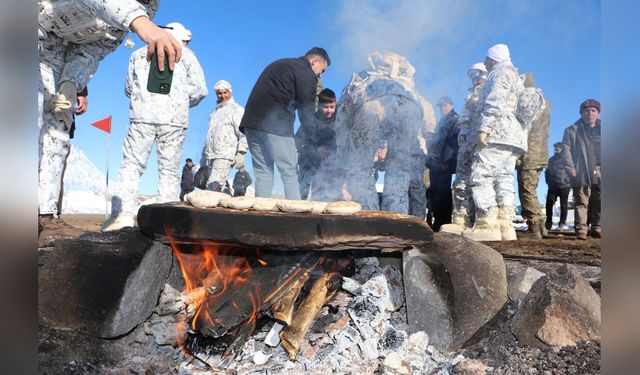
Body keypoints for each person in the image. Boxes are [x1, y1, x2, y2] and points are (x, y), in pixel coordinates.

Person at [38, 0, 181, 245]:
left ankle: (43, 218)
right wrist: (141, 22)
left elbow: (93, 47)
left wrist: (71, 82)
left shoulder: (148, 7)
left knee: (58, 126)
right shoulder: (139, 15)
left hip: (56, 51)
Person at [104, 22, 207, 231]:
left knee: (131, 164)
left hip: (142, 117)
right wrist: (179, 102)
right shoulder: (186, 56)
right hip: (174, 122)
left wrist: (146, 99)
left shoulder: (138, 54)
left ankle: (121, 216)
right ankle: (165, 220)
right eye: (186, 40)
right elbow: (199, 90)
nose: (186, 44)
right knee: (168, 171)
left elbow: (128, 88)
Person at [335, 51, 427, 216]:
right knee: (399, 169)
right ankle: (396, 220)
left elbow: (341, 123)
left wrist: (343, 159)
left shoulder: (361, 81)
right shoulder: (405, 85)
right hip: (411, 109)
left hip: (370, 106)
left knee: (359, 168)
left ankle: (370, 219)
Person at [240, 47, 331, 199]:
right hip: (275, 126)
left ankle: (261, 215)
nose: (320, 75)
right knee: (289, 172)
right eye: (322, 70)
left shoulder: (283, 64)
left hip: (251, 125)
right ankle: (295, 215)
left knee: (263, 172)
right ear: (314, 62)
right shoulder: (305, 72)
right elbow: (306, 111)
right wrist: (318, 139)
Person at [463, 44, 526, 241]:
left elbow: (495, 100)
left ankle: (486, 224)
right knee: (504, 178)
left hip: (498, 132)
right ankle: (505, 224)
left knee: (482, 174)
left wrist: (484, 128)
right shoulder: (516, 76)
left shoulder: (499, 73)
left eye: (487, 59)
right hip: (513, 136)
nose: (485, 63)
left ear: (493, 59)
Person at [440, 63, 487, 234]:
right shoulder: (470, 96)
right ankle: (462, 220)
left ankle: (482, 222)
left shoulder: (490, 92)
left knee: (480, 181)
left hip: (481, 145)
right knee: (461, 183)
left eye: (478, 75)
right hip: (466, 145)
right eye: (472, 76)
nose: (475, 79)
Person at [516, 73, 550, 239]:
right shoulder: (544, 101)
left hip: (529, 152)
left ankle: (534, 228)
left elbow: (523, 124)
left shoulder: (529, 97)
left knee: (526, 190)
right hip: (540, 152)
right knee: (533, 190)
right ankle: (541, 227)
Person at [561, 99, 601, 240]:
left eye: (593, 110)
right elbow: (566, 150)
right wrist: (570, 168)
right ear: (581, 113)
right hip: (581, 169)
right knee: (581, 199)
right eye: (586, 111)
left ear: (597, 113)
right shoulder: (572, 130)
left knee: (600, 199)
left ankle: (597, 227)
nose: (590, 113)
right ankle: (581, 229)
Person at [201, 80, 247, 192]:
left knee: (214, 185)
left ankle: (209, 207)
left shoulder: (236, 110)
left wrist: (241, 153)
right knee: (211, 185)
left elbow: (244, 132)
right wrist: (203, 155)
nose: (222, 96)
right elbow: (210, 135)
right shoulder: (215, 112)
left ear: (230, 92)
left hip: (226, 154)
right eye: (219, 93)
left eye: (225, 92)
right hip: (212, 155)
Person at [296, 88, 337, 199]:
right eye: (326, 107)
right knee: (303, 191)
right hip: (309, 164)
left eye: (332, 107)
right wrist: (316, 150)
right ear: (319, 106)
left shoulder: (340, 121)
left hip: (329, 166)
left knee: (325, 195)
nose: (329, 111)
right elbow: (298, 142)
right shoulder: (311, 121)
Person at [425, 97, 459, 231]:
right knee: (434, 191)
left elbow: (455, 144)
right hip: (436, 163)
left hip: (445, 163)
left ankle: (443, 222)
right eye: (441, 106)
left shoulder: (455, 120)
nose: (442, 108)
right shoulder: (442, 121)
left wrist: (450, 163)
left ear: (451, 105)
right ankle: (435, 221)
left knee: (443, 194)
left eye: (445, 106)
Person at [56, 87, 89, 215]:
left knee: (56, 166)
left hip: (59, 115)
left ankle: (52, 217)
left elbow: (74, 67)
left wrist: (81, 92)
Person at [545, 142, 571, 231]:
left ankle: (562, 223)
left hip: (564, 186)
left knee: (564, 205)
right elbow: (547, 171)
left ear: (562, 148)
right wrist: (548, 181)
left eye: (558, 147)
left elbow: (571, 170)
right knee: (549, 203)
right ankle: (548, 222)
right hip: (552, 186)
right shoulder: (551, 160)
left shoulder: (567, 159)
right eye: (555, 147)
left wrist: (568, 181)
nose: (556, 149)